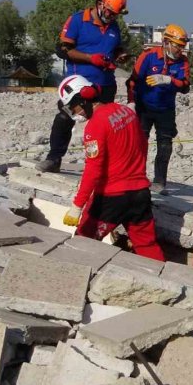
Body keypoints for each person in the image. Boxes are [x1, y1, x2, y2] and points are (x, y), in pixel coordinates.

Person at [59, 75, 165, 261]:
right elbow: (143, 144)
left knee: (83, 243)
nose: (75, 112)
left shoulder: (95, 126)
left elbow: (93, 170)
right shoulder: (126, 112)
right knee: (147, 246)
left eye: (73, 106)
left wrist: (77, 206)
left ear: (83, 99)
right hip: (140, 193)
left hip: (111, 197)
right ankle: (166, 282)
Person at [38, 0, 128, 173]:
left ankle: (106, 167)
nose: (112, 17)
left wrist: (120, 55)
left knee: (106, 126)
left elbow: (116, 47)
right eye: (110, 13)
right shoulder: (78, 20)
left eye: (115, 15)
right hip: (80, 84)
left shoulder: (113, 27)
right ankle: (54, 159)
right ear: (100, 3)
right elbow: (63, 50)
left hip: (105, 83)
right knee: (65, 118)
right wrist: (90, 57)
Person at [128, 24, 191, 194]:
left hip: (165, 109)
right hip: (144, 107)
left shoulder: (183, 61)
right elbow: (132, 80)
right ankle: (136, 176)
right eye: (177, 45)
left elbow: (185, 86)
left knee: (165, 145)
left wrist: (169, 80)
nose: (179, 50)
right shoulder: (148, 56)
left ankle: (159, 181)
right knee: (139, 143)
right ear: (166, 42)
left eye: (182, 46)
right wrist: (131, 102)